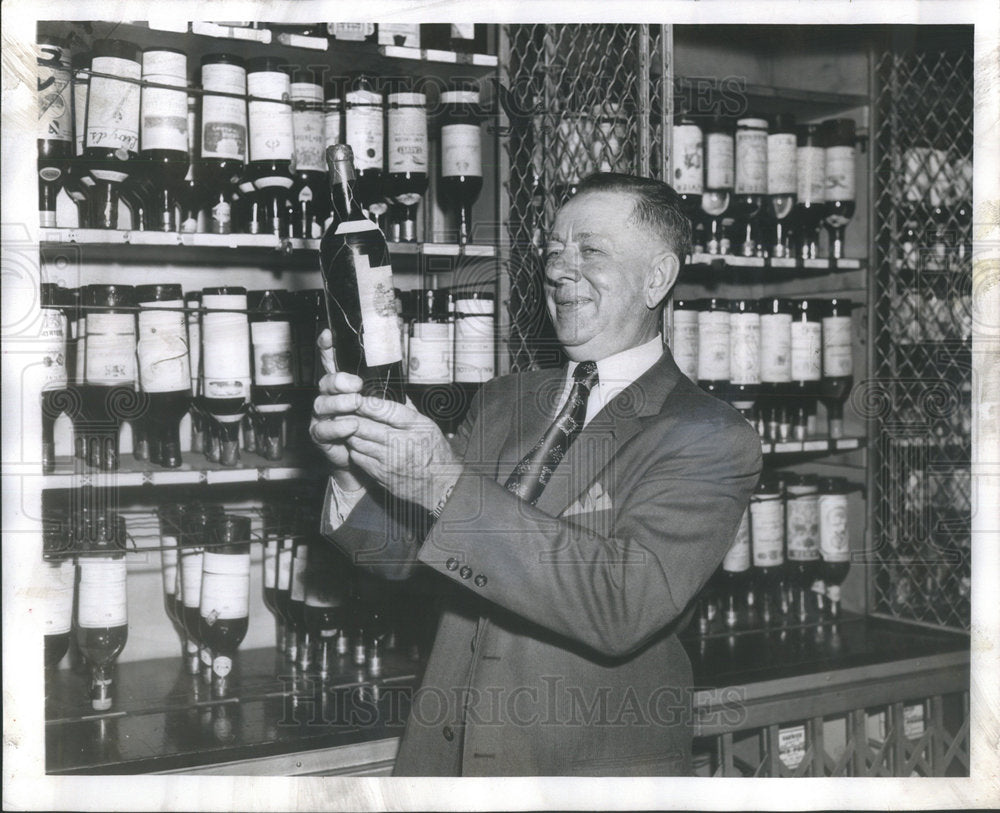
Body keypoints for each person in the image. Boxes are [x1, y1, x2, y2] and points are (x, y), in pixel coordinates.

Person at [310, 172, 763, 776]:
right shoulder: (503, 399)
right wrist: (352, 471)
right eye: (553, 252)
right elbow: (408, 557)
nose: (559, 270)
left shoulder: (708, 435)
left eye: (591, 251)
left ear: (657, 277)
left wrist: (441, 481)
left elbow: (622, 606)